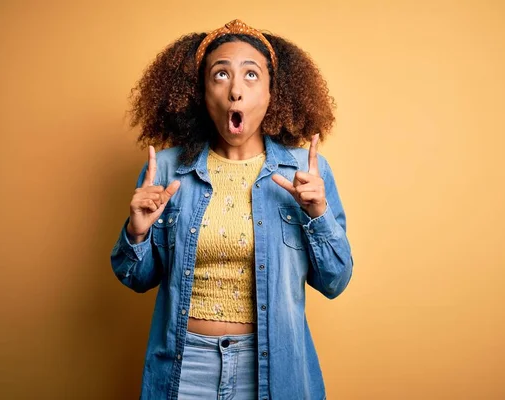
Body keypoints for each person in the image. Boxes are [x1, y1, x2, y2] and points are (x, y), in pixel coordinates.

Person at [110, 19, 353, 400]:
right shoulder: (167, 169)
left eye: (251, 75)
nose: (236, 90)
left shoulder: (306, 173)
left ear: (275, 93)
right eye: (221, 75)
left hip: (272, 369)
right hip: (183, 366)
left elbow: (335, 281)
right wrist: (136, 232)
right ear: (201, 93)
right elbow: (137, 278)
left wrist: (318, 215)